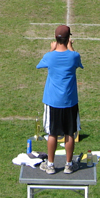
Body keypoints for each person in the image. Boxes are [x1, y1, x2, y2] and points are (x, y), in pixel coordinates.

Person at [36, 25, 84, 175]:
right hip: (70, 101)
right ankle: (69, 165)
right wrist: (71, 48)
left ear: (56, 39)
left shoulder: (49, 56)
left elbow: (40, 65)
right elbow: (77, 64)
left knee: (52, 133)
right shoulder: (74, 55)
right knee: (70, 133)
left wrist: (51, 49)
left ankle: (50, 165)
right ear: (69, 38)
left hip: (52, 101)